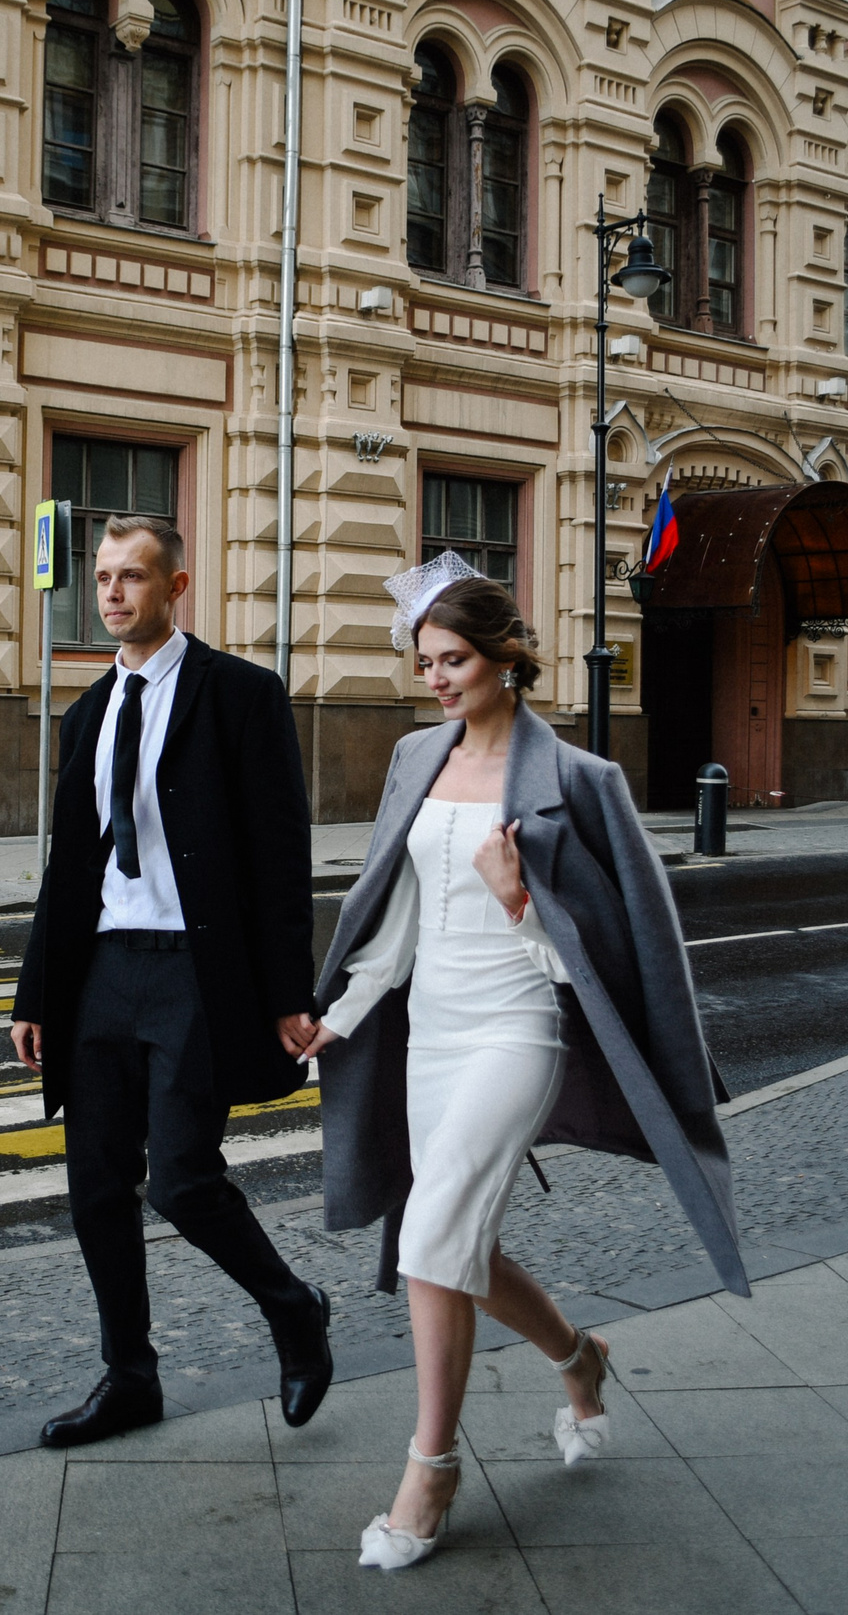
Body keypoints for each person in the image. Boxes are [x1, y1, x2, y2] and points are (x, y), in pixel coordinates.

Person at [301, 554, 749, 1570]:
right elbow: (395, 921)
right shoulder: (416, 760)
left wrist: (518, 898)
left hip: (518, 1031)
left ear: (507, 658)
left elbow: (618, 950)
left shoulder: (578, 780)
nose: (438, 678)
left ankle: (431, 1469)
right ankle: (581, 1356)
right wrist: (341, 1013)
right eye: (425, 662)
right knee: (456, 1241)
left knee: (432, 1232)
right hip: (433, 1034)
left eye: (454, 658)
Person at [8, 514, 334, 1449]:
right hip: (102, 974)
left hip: (196, 973)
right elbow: (69, 868)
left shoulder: (239, 694)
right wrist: (36, 994)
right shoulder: (86, 712)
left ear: (176, 588)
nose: (112, 593)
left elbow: (281, 853)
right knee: (95, 1187)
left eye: (133, 577)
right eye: (103, 577)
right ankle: (129, 1377)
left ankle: (294, 1308)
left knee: (184, 1180)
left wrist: (288, 992)